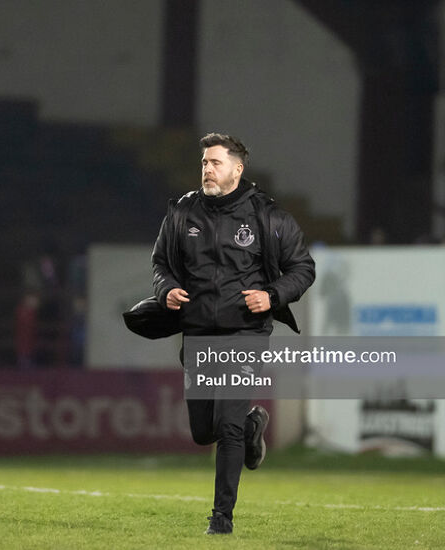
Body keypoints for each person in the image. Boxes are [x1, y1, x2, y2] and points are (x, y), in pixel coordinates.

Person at [152, 133, 315, 535]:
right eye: (204, 162)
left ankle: (221, 519)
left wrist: (272, 295)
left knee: (224, 428)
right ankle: (251, 424)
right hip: (197, 334)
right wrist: (166, 289)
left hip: (245, 333)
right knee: (202, 431)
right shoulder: (182, 212)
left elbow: (303, 267)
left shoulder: (267, 215)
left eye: (216, 163)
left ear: (237, 170)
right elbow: (160, 265)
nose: (207, 169)